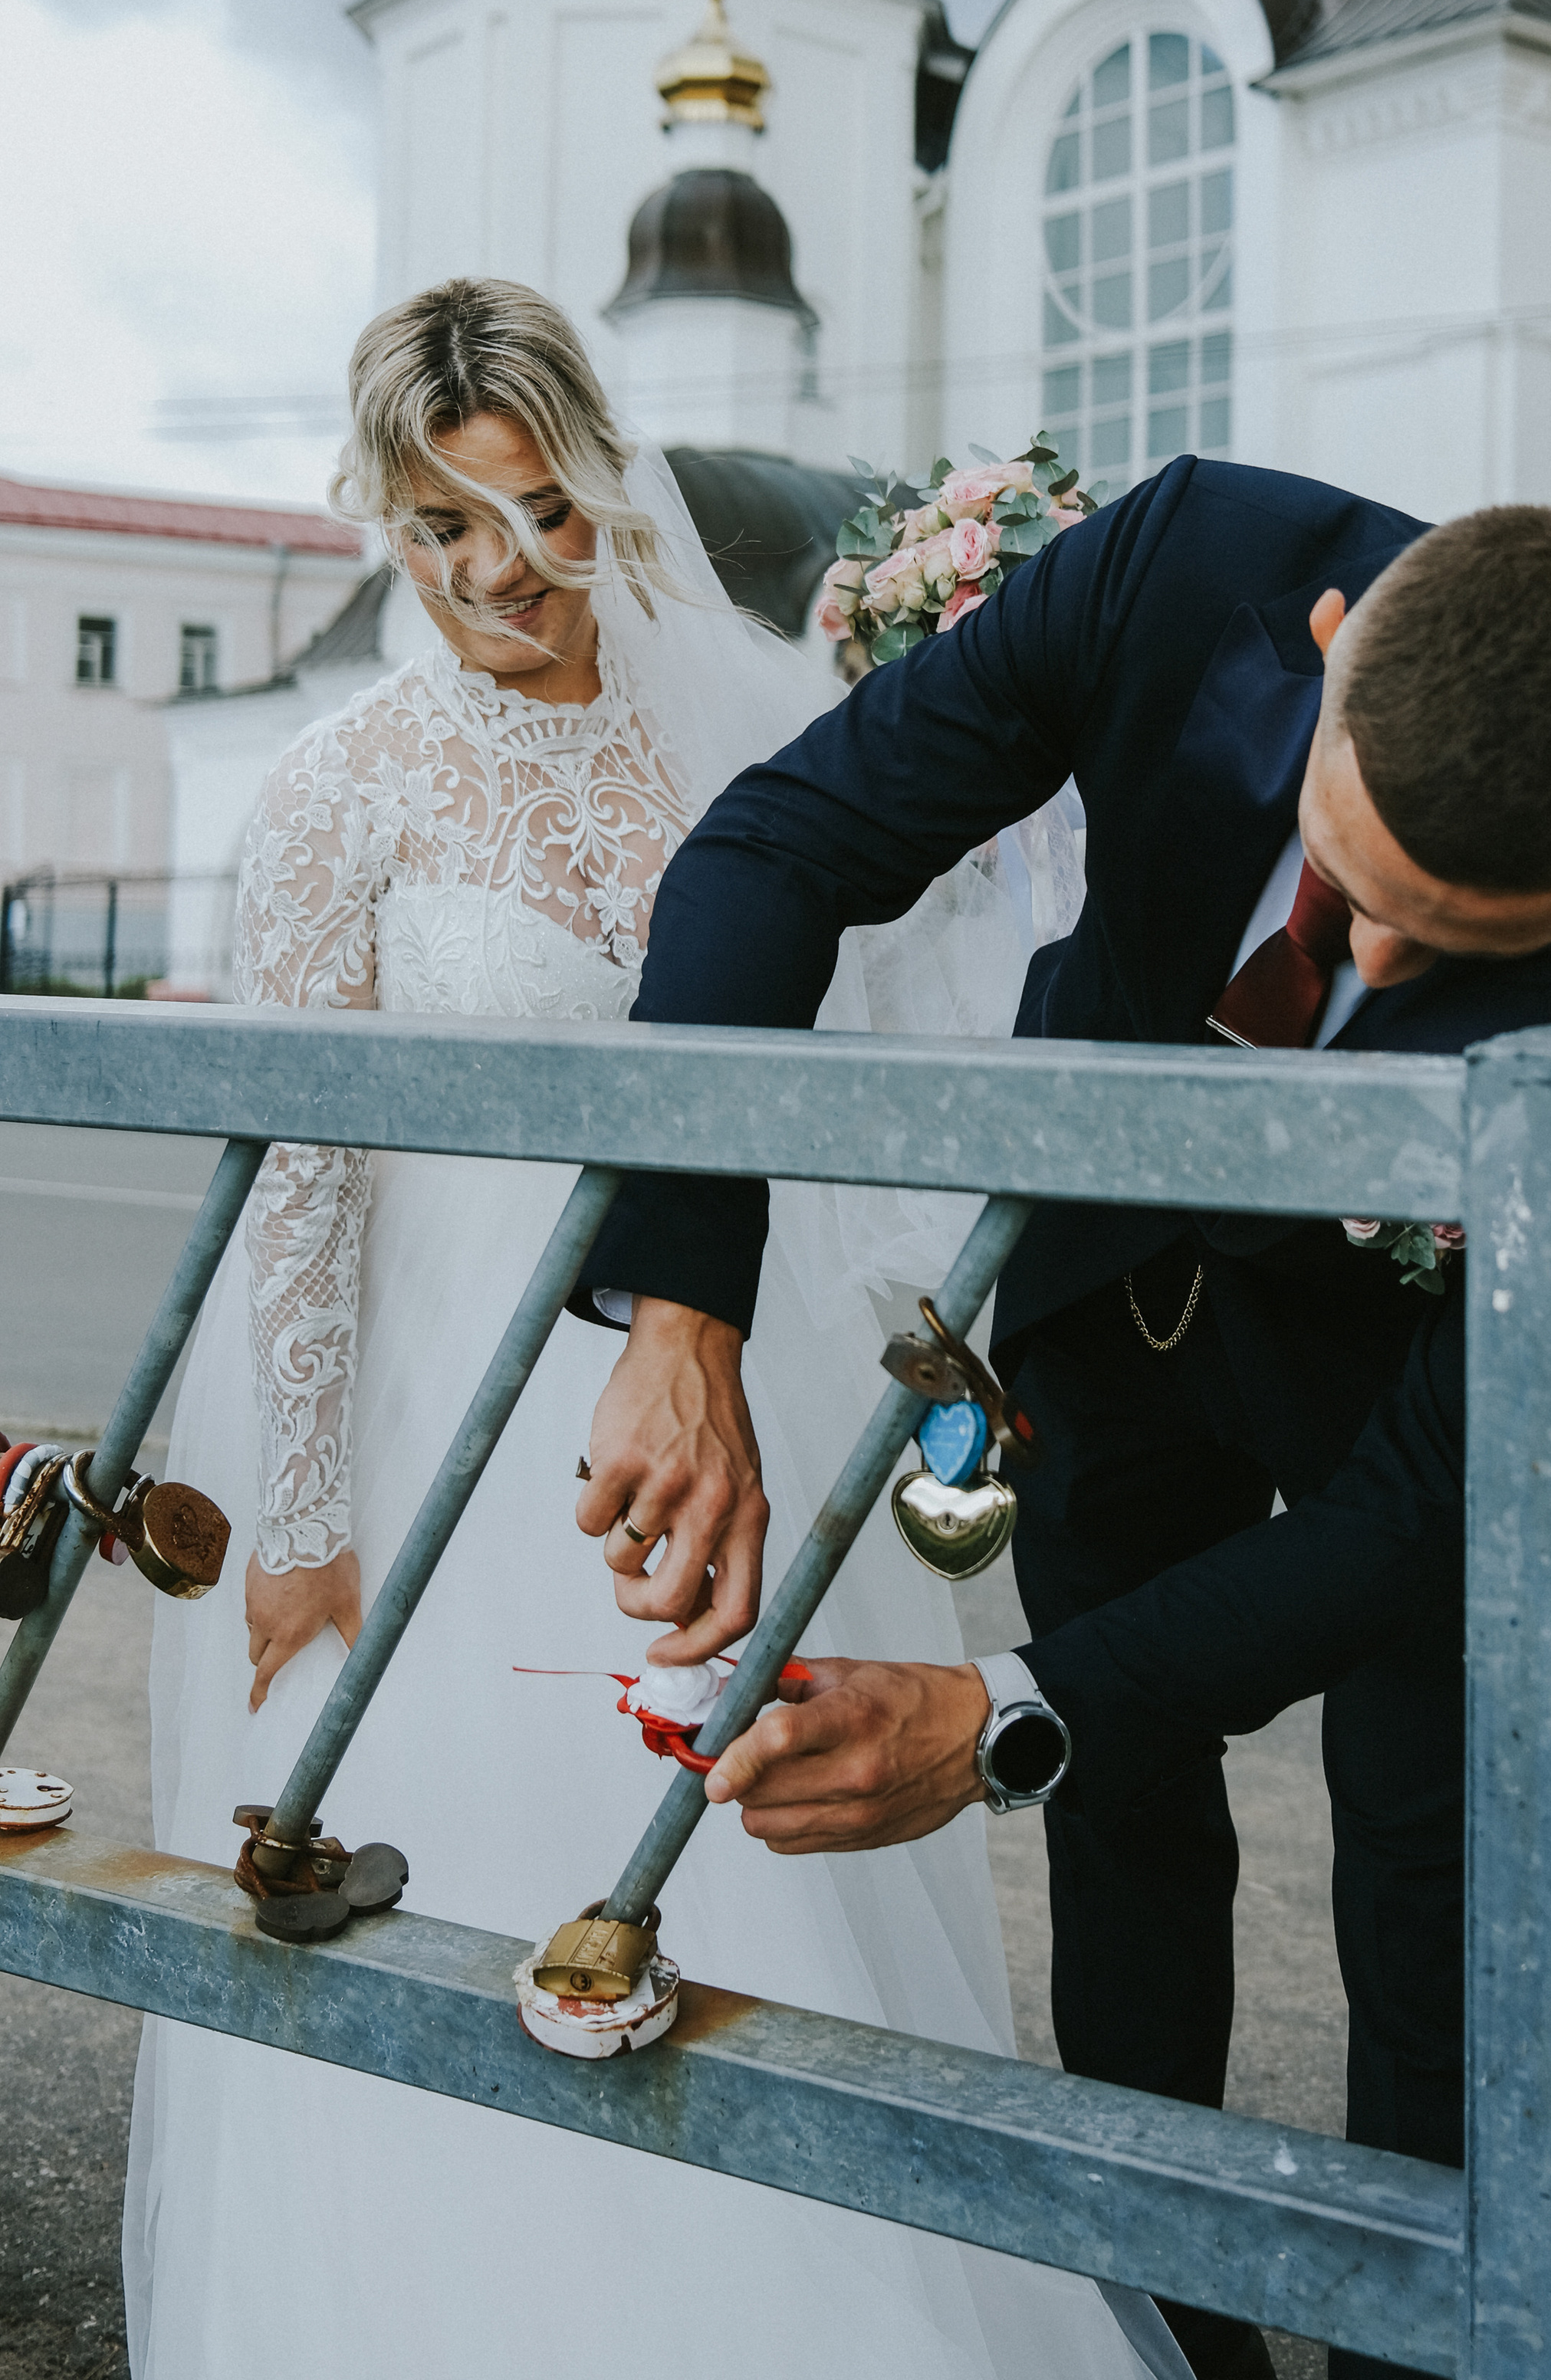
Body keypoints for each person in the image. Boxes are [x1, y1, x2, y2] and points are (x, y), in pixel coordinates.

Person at [575, 461, 1551, 2380]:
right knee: (1126, 1843)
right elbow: (777, 846)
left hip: (1390, 1405)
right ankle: (1158, 2323)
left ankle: (1421, 2332)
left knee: (1433, 1867)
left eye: (1454, 941)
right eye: (1356, 877)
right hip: (1109, 1290)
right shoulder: (1191, 566)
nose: (1371, 973)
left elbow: (1424, 1501)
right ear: (1324, 655)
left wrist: (989, 1713)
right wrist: (681, 1301)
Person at [127, 281, 1165, 2380]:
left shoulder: (758, 728)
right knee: (468, 1904)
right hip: (449, 1435)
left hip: (741, 1388)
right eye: (442, 530)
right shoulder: (341, 792)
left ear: (608, 487)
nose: (501, 575)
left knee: (761, 1884)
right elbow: (299, 1182)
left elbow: (854, 1061)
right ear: (380, 522)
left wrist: (923, 1369)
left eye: (541, 514)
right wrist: (309, 1520)